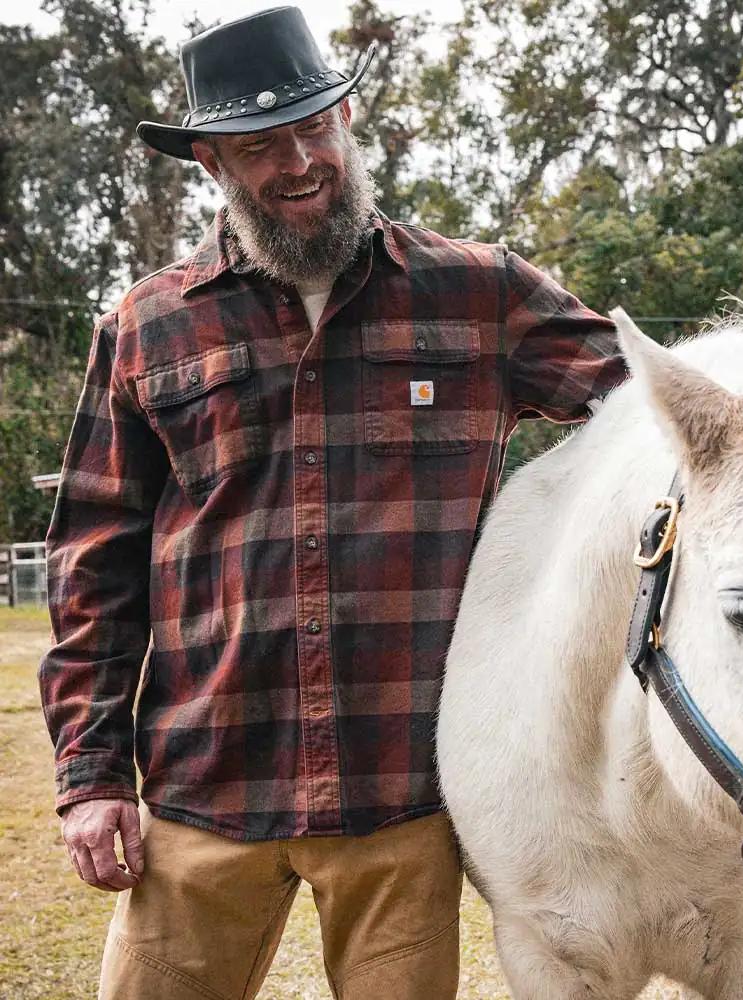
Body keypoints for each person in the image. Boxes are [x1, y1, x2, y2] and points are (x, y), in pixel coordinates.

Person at [38, 7, 627, 999]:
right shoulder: (146, 327)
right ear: (211, 165)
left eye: (315, 127)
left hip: (398, 795)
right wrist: (91, 778)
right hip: (202, 791)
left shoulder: (478, 294)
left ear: (349, 117)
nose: (300, 161)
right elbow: (93, 562)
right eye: (260, 145)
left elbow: (660, 408)